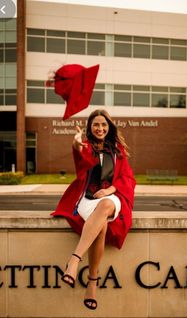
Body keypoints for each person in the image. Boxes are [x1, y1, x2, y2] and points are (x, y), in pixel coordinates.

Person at [51, 108, 135, 310]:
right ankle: (92, 282)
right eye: (96, 124)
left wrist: (110, 191)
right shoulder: (86, 145)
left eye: (104, 124)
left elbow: (128, 178)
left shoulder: (117, 150)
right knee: (101, 226)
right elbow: (82, 157)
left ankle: (74, 260)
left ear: (109, 126)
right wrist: (76, 144)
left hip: (111, 198)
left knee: (106, 206)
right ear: (90, 127)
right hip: (87, 199)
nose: (100, 128)